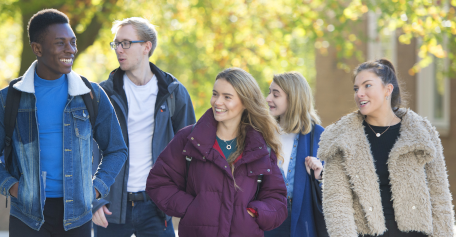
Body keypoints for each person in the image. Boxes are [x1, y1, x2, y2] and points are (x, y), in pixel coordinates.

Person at [0, 9, 128, 237]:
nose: (71, 49)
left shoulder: (90, 95)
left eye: (72, 42)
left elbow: (117, 149)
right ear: (37, 48)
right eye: (60, 43)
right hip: (27, 215)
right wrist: (14, 188)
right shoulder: (8, 99)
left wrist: (95, 189)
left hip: (77, 216)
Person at [318, 59, 454, 237]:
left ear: (387, 90)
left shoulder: (422, 133)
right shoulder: (342, 138)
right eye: (356, 88)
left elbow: (440, 197)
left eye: (367, 86)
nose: (360, 93)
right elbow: (336, 203)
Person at [146, 68, 288, 237]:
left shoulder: (261, 147)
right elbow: (158, 182)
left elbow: (277, 200)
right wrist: (192, 208)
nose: (217, 102)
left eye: (227, 97)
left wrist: (254, 212)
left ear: (245, 102)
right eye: (215, 94)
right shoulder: (189, 139)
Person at [93, 17, 196, 237]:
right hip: (111, 207)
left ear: (146, 47)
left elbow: (191, 150)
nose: (119, 49)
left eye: (126, 43)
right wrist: (94, 199)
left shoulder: (173, 92)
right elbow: (88, 152)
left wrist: (179, 197)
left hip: (156, 207)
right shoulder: (104, 94)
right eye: (116, 44)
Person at [263, 71, 325, 237]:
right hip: (266, 220)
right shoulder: (263, 133)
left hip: (303, 222)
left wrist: (320, 174)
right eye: (269, 93)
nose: (268, 99)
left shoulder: (318, 136)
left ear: (294, 98)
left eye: (276, 95)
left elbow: (334, 185)